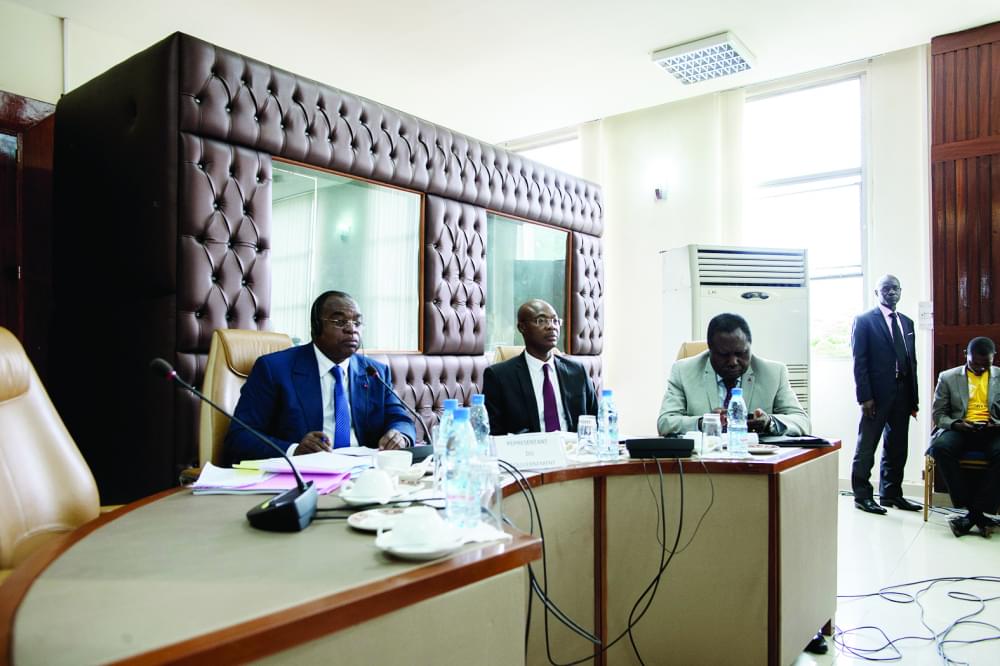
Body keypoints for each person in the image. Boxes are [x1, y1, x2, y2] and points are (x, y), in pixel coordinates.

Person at [224, 291, 415, 465]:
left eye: (357, 323)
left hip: (364, 474)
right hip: (304, 476)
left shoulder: (375, 373)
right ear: (316, 328)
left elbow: (401, 420)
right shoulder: (275, 369)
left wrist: (400, 435)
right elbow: (240, 438)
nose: (351, 329)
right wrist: (294, 450)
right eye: (339, 322)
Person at [656, 312, 810, 437]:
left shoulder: (773, 373)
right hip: (704, 460)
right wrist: (704, 422)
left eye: (740, 353)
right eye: (724, 354)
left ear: (749, 347)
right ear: (710, 350)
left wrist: (769, 422)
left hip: (756, 461)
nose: (733, 362)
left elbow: (802, 421)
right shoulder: (683, 371)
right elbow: (665, 422)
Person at [850, 274, 920, 514]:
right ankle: (862, 496)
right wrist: (864, 397)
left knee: (897, 446)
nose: (891, 292)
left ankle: (892, 494)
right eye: (886, 289)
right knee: (867, 445)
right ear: (877, 293)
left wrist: (914, 399)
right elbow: (860, 362)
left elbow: (912, 363)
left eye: (895, 288)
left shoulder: (907, 323)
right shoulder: (864, 321)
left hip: (903, 393)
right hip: (876, 396)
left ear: (901, 291)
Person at [483, 299, 598, 435]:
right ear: (522, 327)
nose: (551, 326)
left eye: (555, 321)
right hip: (526, 453)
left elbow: (595, 421)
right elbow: (494, 433)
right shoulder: (499, 376)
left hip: (573, 452)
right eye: (541, 321)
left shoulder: (577, 372)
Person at [928, 336, 1000, 538]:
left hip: (992, 430)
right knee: (940, 448)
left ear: (993, 359)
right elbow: (939, 414)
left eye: (985, 365)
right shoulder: (948, 377)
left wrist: (996, 424)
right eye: (974, 364)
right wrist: (956, 424)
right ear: (965, 356)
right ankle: (977, 514)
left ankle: (971, 516)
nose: (979, 369)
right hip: (960, 428)